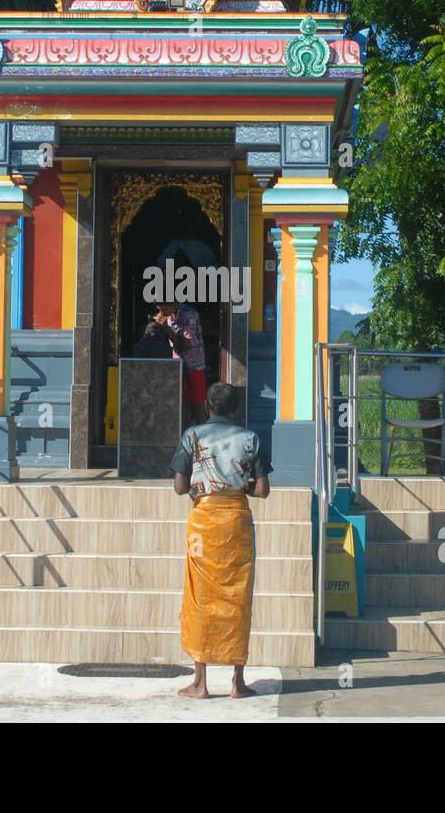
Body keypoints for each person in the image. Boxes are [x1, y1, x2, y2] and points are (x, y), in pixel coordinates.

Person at [169, 382, 271, 699]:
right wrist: (238, 486)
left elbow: (180, 487)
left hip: (204, 524)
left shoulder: (192, 436)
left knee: (200, 596)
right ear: (235, 409)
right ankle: (238, 683)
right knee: (237, 596)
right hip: (237, 521)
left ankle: (200, 682)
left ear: (208, 406)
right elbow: (262, 490)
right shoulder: (250, 438)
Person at [154, 300, 207, 426]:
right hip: (177, 365)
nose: (162, 312)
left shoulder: (189, 315)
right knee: (182, 404)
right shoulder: (167, 315)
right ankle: (184, 437)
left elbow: (184, 347)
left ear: (174, 304)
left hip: (194, 365)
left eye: (164, 309)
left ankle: (205, 437)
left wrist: (166, 328)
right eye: (159, 308)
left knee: (197, 404)